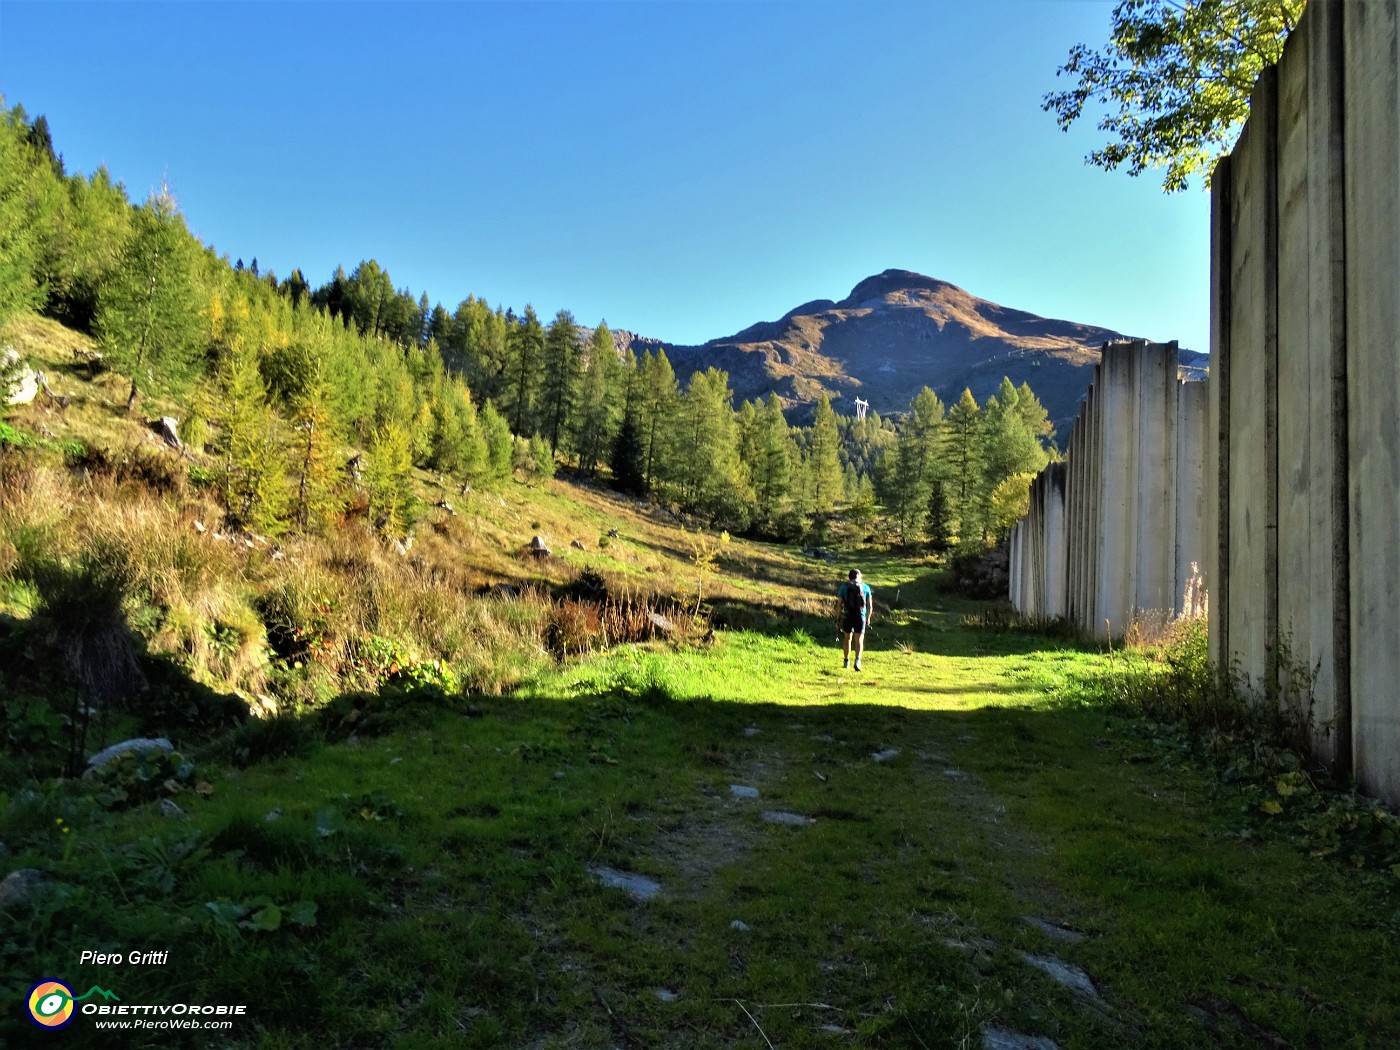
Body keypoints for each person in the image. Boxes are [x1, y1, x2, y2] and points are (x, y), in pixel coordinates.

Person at [836, 568, 873, 671]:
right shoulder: (865, 587)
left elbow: (839, 605)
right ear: (859, 576)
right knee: (859, 639)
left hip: (848, 616)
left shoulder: (844, 587)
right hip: (860, 616)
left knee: (847, 638)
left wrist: (837, 620)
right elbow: (870, 606)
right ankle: (857, 662)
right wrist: (868, 618)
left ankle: (846, 662)